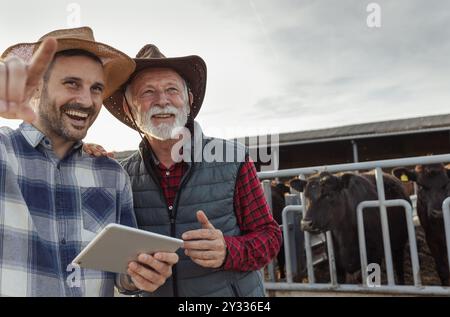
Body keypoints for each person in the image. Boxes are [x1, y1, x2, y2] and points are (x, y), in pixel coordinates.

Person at [0, 27, 178, 296]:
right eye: (71, 83)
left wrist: (142, 275)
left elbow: (123, 272)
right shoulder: (4, 153)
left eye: (96, 88)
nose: (86, 100)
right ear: (36, 87)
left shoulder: (112, 174)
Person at [97, 44, 282, 297]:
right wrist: (132, 279)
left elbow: (270, 237)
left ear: (189, 100)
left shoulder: (234, 159)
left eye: (172, 89)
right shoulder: (120, 176)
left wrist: (229, 250)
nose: (162, 100)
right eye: (147, 92)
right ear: (129, 109)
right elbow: (115, 268)